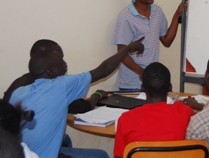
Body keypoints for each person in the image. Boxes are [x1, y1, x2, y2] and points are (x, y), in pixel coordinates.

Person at [9, 39, 144, 158]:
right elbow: (104, 70)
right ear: (50, 71)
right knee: (101, 155)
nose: (65, 64)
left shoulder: (17, 91)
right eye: (61, 62)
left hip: (21, 152)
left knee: (65, 139)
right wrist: (127, 48)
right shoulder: (60, 85)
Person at [112, 0, 185, 90]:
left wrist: (176, 16)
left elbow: (167, 41)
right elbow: (121, 54)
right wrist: (142, 72)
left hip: (152, 82)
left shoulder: (157, 11)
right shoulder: (125, 17)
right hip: (132, 84)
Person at [3, 39, 109, 114]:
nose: (64, 63)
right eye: (58, 58)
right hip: (32, 145)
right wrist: (98, 95)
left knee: (65, 139)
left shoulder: (18, 85)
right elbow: (82, 107)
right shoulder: (54, 87)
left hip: (16, 141)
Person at [113, 62, 195, 158]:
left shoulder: (125, 119)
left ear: (142, 88)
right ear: (170, 87)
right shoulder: (185, 112)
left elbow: (118, 156)